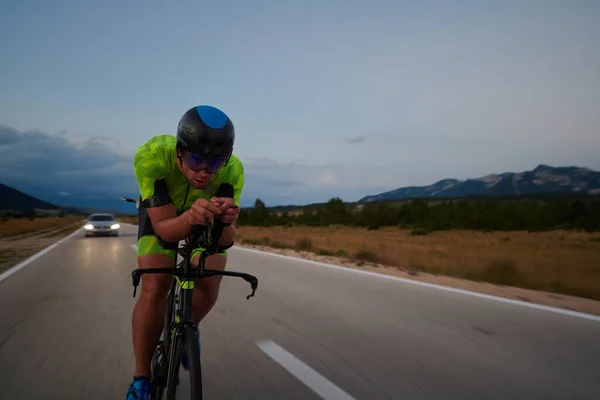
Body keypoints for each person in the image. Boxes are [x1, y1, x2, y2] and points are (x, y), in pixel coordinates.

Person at [126, 105, 244, 400]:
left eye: (215, 161)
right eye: (195, 160)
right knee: (155, 284)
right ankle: (141, 379)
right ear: (179, 152)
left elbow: (226, 240)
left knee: (210, 275)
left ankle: (187, 328)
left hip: (204, 216)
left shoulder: (233, 170)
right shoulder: (152, 156)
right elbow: (164, 229)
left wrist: (226, 221)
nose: (204, 172)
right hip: (162, 214)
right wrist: (190, 217)